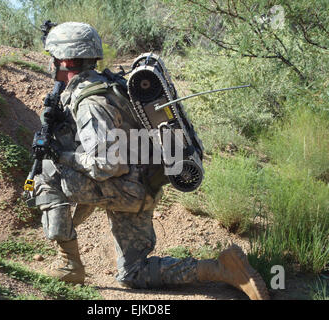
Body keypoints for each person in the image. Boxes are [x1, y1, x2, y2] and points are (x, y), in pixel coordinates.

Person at [32, 21, 269, 300]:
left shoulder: (90, 103)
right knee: (134, 272)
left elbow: (108, 164)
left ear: (64, 60)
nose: (50, 63)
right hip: (142, 188)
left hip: (124, 187)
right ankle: (223, 269)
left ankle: (69, 265)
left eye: (53, 57)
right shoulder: (108, 85)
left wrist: (60, 155)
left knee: (47, 172)